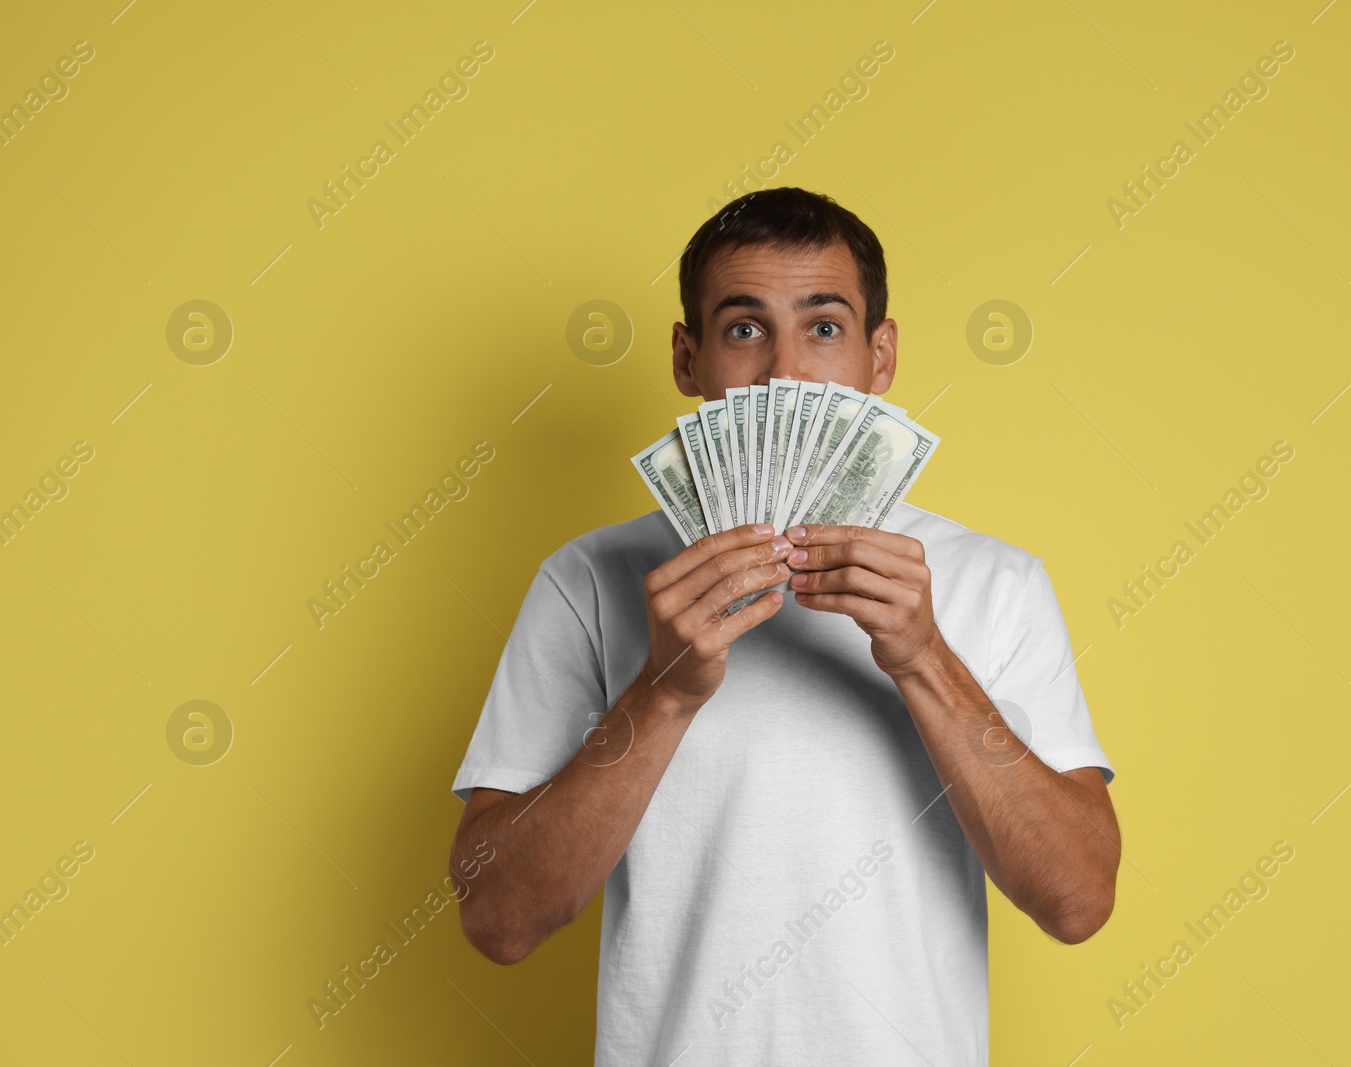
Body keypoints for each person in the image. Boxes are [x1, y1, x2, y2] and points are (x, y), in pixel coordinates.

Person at [448, 186, 1120, 1065]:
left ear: (881, 355)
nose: (786, 374)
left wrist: (923, 658)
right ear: (689, 360)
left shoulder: (997, 582)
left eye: (825, 327)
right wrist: (662, 694)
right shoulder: (591, 580)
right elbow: (497, 916)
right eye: (744, 329)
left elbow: (1077, 900)